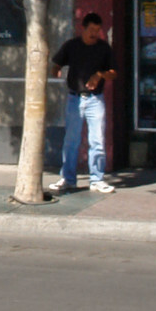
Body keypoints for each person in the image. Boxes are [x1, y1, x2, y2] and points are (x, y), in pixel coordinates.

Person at [54, 12, 116, 193]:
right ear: (83, 28)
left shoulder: (104, 48)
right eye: (91, 30)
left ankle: (97, 179)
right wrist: (55, 69)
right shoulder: (72, 46)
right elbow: (57, 62)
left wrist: (100, 74)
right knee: (71, 140)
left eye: (97, 30)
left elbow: (114, 72)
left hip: (96, 99)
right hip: (75, 98)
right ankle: (68, 178)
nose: (94, 34)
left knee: (97, 140)